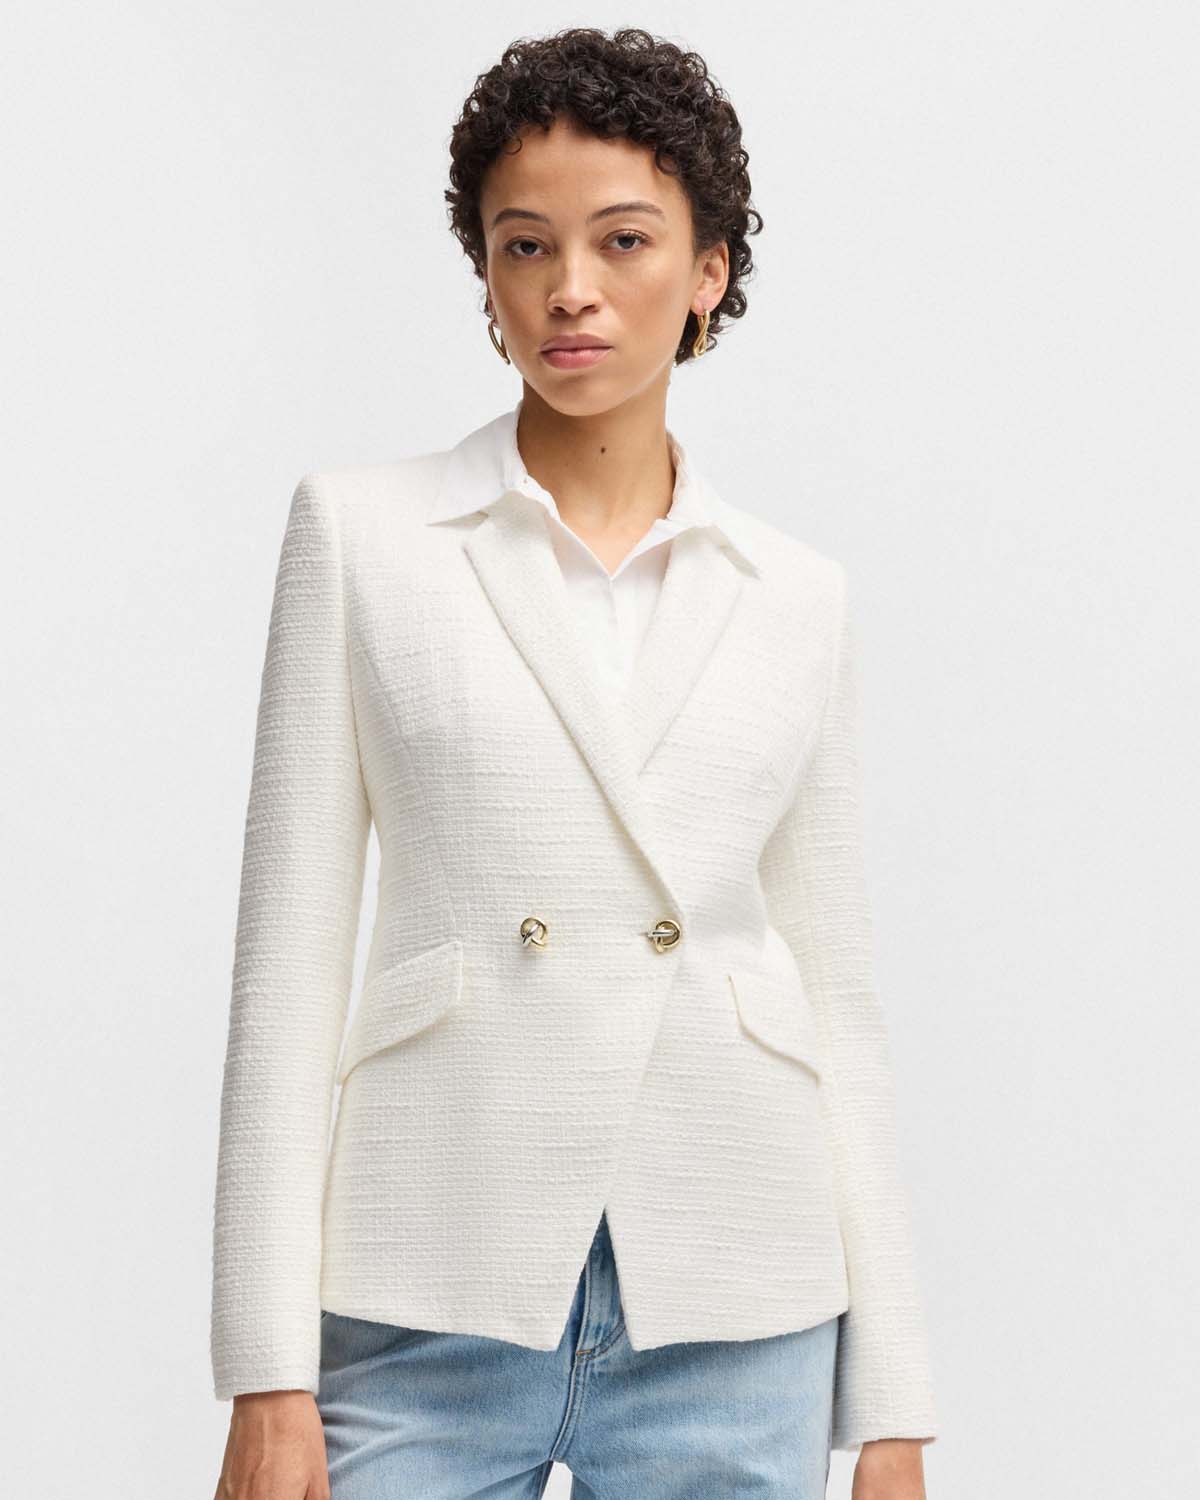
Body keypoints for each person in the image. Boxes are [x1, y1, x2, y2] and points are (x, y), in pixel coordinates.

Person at [211, 26, 938, 1500]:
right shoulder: (362, 537)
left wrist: (895, 1409)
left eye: (624, 239)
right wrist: (265, 1367)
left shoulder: (797, 595)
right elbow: (286, 970)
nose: (570, 289)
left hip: (737, 1295)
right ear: (485, 272)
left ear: (710, 268)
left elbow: (835, 1000)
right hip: (428, 1274)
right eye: (524, 244)